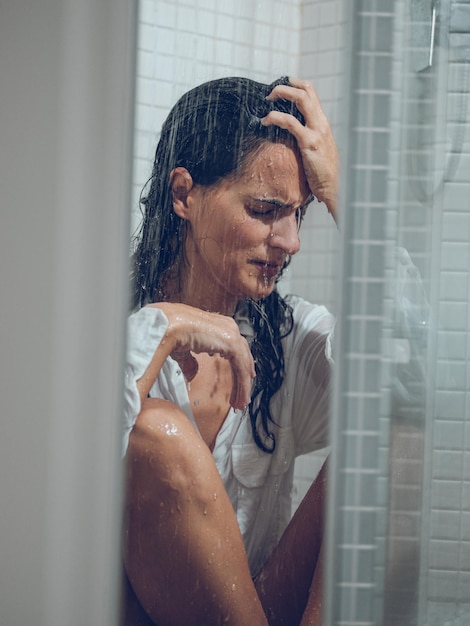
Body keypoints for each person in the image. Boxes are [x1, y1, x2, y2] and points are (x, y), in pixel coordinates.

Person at [121, 76, 339, 626]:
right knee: (155, 433)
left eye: (299, 214)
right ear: (183, 194)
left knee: (384, 441)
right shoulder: (101, 326)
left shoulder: (292, 337)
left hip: (266, 608)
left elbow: (417, 382)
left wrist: (345, 195)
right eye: (266, 210)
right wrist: (163, 325)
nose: (291, 242)